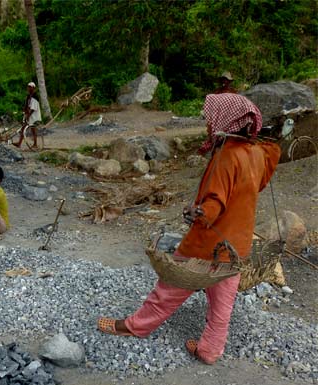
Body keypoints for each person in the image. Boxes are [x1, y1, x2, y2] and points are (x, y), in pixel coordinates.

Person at [97, 93, 281, 365]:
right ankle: (209, 349)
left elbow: (215, 203)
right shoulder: (256, 153)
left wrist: (198, 212)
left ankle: (137, 326)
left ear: (226, 121)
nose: (209, 123)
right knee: (222, 304)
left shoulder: (227, 156)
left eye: (211, 118)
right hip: (237, 246)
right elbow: (267, 164)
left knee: (170, 287)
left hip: (207, 245)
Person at [14, 82, 41, 149]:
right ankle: (19, 143)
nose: (28, 88)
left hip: (33, 116)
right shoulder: (29, 96)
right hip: (28, 115)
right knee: (23, 128)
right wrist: (24, 112)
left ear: (33, 88)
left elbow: (33, 108)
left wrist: (28, 115)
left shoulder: (35, 96)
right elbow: (27, 105)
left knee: (33, 130)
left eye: (30, 87)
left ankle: (35, 144)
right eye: (28, 87)